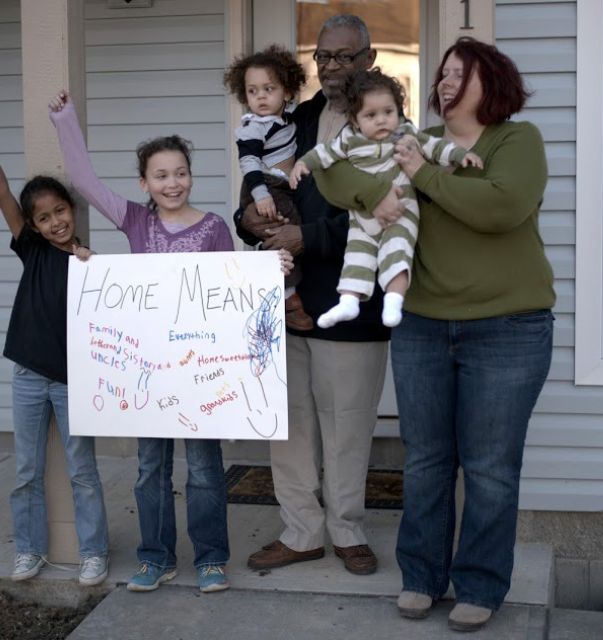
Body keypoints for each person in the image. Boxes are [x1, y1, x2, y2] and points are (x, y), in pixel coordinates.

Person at [315, 37, 555, 631]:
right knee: (425, 462)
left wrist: (420, 174)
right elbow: (334, 176)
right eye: (442, 74)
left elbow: (502, 206)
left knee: (490, 467)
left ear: (490, 81)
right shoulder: (405, 139)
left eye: (459, 73)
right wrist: (376, 194)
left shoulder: (514, 140)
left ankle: (478, 585)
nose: (445, 83)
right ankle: (422, 577)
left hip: (508, 328)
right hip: (422, 323)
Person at [48, 90, 234, 594]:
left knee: (203, 468)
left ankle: (212, 557)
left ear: (191, 175)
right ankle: (156, 557)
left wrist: (272, 271)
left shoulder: (215, 228)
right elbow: (84, 182)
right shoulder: (135, 220)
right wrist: (65, 119)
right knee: (150, 467)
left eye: (180, 172)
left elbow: (234, 298)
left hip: (200, 371)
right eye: (161, 175)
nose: (172, 183)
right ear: (144, 183)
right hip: (147, 373)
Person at [235, 15, 389, 576]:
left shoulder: (386, 124)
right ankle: (301, 531)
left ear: (368, 59)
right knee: (290, 423)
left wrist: (309, 236)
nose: (329, 67)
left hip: (351, 304)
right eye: (322, 57)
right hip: (284, 302)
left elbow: (388, 218)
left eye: (343, 57)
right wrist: (247, 217)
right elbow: (257, 190)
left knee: (347, 425)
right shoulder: (293, 119)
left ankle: (347, 530)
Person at [290, 67, 482, 329]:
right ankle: (348, 302)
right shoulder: (349, 139)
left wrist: (460, 155)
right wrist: (302, 163)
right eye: (371, 115)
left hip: (401, 211)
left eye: (388, 112)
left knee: (397, 251)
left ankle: (393, 300)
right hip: (363, 216)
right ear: (355, 120)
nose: (381, 120)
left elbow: (434, 147)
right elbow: (324, 154)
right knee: (357, 255)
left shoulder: (405, 134)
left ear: (398, 110)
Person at [0, 168, 109, 586]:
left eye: (60, 211)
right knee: (27, 468)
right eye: (43, 218)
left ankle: (93, 553)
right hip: (28, 375)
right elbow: (5, 197)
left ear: (73, 211)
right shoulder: (32, 249)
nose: (55, 222)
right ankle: (29, 550)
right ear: (32, 226)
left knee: (82, 470)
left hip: (72, 382)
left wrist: (90, 262)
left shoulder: (90, 265)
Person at [224, 44, 313, 332]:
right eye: (252, 91)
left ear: (286, 92)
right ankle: (287, 297)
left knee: (279, 238)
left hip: (277, 186)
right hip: (264, 186)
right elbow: (248, 160)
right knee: (287, 234)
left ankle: (275, 287)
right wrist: (261, 195)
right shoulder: (255, 125)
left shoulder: (284, 120)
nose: (260, 96)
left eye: (269, 88)